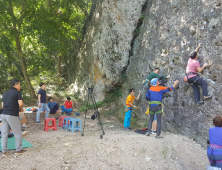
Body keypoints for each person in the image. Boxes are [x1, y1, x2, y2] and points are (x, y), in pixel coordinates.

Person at [1, 79, 27, 155]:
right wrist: (20, 108)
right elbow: (21, 104)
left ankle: (4, 151)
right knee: (18, 132)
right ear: (16, 84)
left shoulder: (5, 93)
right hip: (12, 114)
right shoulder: (17, 92)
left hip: (3, 114)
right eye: (19, 84)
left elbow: (2, 105)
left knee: (4, 133)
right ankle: (19, 150)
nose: (20, 86)